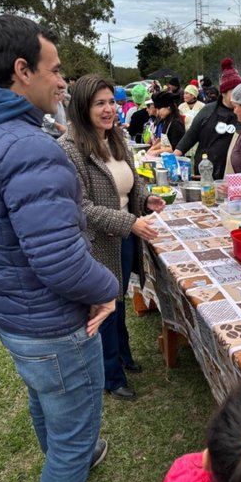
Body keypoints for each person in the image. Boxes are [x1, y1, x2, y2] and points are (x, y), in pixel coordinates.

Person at [0, 15, 118, 482]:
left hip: (13, 313)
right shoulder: (30, 146)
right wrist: (107, 285)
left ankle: (72, 455)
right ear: (21, 71)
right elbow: (60, 262)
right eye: (55, 70)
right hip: (51, 322)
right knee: (71, 430)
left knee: (46, 402)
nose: (63, 82)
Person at [59, 74, 165, 401]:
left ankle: (123, 356)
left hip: (123, 234)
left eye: (112, 102)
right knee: (104, 306)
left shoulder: (116, 136)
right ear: (82, 106)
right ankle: (110, 374)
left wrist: (145, 199)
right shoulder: (70, 148)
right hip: (98, 241)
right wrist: (129, 222)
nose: (109, 110)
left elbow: (133, 180)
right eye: (100, 103)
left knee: (118, 301)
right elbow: (81, 206)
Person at [173, 57, 241, 178]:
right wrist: (173, 160)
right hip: (203, 173)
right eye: (234, 91)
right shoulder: (208, 110)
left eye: (240, 91)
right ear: (224, 92)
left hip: (231, 176)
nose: (238, 96)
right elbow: (190, 136)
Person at [147, 90, 186, 156]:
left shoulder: (176, 124)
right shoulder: (166, 121)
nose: (158, 112)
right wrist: (152, 149)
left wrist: (157, 152)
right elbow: (163, 142)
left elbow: (176, 148)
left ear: (168, 107)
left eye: (159, 109)